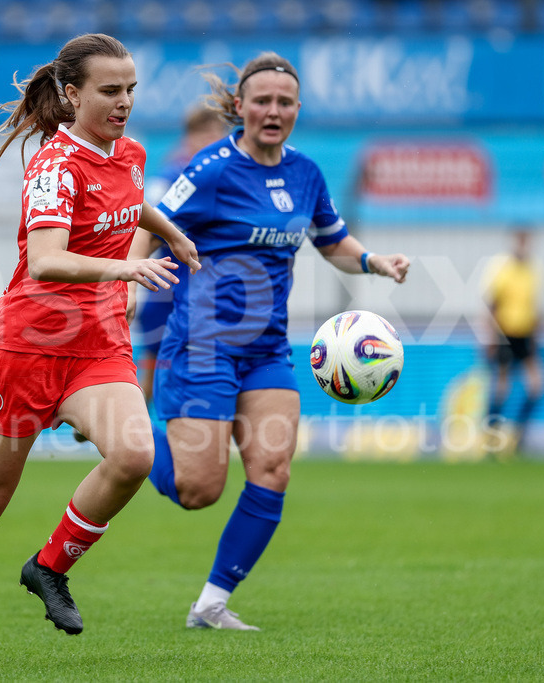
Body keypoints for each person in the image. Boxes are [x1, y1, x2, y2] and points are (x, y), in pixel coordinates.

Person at [0, 33, 201, 663]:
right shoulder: (52, 168)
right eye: (110, 91)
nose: (124, 102)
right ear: (71, 93)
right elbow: (49, 261)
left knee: (135, 456)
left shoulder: (130, 153)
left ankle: (49, 566)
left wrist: (170, 232)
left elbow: (127, 204)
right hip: (24, 349)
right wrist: (124, 272)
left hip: (96, 346)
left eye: (131, 89)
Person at [128, 52, 410, 630]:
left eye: (285, 102)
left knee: (273, 467)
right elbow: (146, 224)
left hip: (267, 350)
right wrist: (131, 279)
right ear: (240, 107)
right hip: (202, 347)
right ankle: (120, 432)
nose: (273, 110)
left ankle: (211, 604)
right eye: (262, 101)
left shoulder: (306, 172)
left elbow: (331, 240)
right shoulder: (210, 170)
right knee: (197, 489)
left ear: (297, 109)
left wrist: (374, 261)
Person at [135, 106, 227, 406]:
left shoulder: (224, 179)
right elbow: (143, 224)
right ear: (191, 138)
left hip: (208, 296)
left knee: (188, 374)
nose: (213, 144)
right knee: (158, 369)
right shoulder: (172, 177)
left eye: (219, 137)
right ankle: (126, 410)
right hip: (170, 293)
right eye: (207, 137)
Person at [482, 226, 544, 453]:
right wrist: (490, 336)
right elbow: (491, 304)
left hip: (525, 334)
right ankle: (492, 435)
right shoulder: (502, 267)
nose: (524, 245)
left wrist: (537, 336)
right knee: (502, 386)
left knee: (537, 385)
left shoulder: (533, 268)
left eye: (527, 241)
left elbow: (534, 305)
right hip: (504, 333)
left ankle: (518, 433)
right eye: (521, 241)